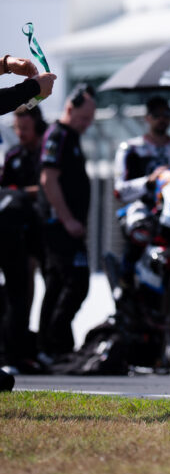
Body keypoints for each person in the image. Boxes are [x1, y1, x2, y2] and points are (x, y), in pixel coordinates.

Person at [37, 83, 96, 359]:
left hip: (68, 227)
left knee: (58, 285)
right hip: (59, 227)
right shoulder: (58, 135)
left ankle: (52, 345)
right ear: (69, 108)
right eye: (83, 118)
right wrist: (68, 219)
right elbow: (48, 179)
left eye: (90, 119)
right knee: (75, 282)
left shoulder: (71, 136)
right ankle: (54, 343)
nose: (87, 124)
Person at [112, 95, 170, 289]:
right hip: (144, 208)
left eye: (166, 114)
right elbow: (119, 191)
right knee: (138, 231)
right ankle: (125, 288)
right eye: (156, 115)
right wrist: (148, 182)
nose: (162, 119)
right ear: (147, 118)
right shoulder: (131, 149)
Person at [0, 106, 48, 371]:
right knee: (22, 285)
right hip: (17, 231)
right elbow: (5, 190)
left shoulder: (48, 151)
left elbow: (49, 186)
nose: (20, 134)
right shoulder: (13, 154)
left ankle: (40, 344)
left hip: (44, 227)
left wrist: (24, 192)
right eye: (17, 129)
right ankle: (18, 341)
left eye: (25, 129)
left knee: (52, 284)